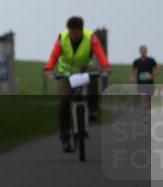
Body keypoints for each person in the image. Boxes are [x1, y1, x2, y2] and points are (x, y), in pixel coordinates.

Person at [43, 16, 112, 153]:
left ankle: (93, 109)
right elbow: (54, 55)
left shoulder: (90, 37)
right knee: (63, 102)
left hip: (84, 70)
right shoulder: (62, 37)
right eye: (71, 33)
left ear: (81, 30)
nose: (73, 36)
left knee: (94, 76)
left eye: (76, 33)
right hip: (66, 74)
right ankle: (65, 139)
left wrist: (106, 67)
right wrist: (48, 69)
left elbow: (100, 53)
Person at [131, 45, 160, 111]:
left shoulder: (151, 60)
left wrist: (152, 75)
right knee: (143, 99)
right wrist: (132, 78)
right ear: (139, 52)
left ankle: (149, 109)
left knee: (149, 102)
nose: (143, 52)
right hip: (140, 84)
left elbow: (158, 69)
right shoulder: (136, 61)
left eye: (144, 50)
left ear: (146, 51)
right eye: (141, 51)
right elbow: (132, 71)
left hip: (149, 84)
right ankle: (145, 117)